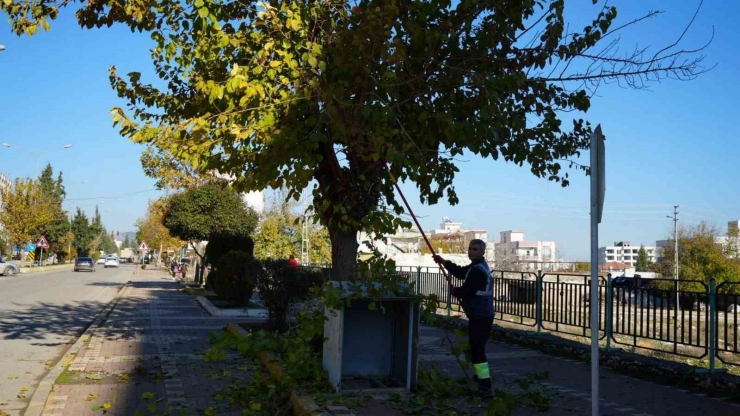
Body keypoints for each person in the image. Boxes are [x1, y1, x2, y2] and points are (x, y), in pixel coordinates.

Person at [432, 239, 493, 399]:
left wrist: (456, 292)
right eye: (470, 248)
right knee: (476, 349)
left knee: (478, 350)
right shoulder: (475, 267)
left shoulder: (478, 270)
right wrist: (443, 261)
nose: (471, 251)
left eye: (475, 249)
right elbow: (460, 272)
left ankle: (485, 386)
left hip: (481, 316)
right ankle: (480, 380)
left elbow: (468, 289)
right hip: (479, 315)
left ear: (482, 252)